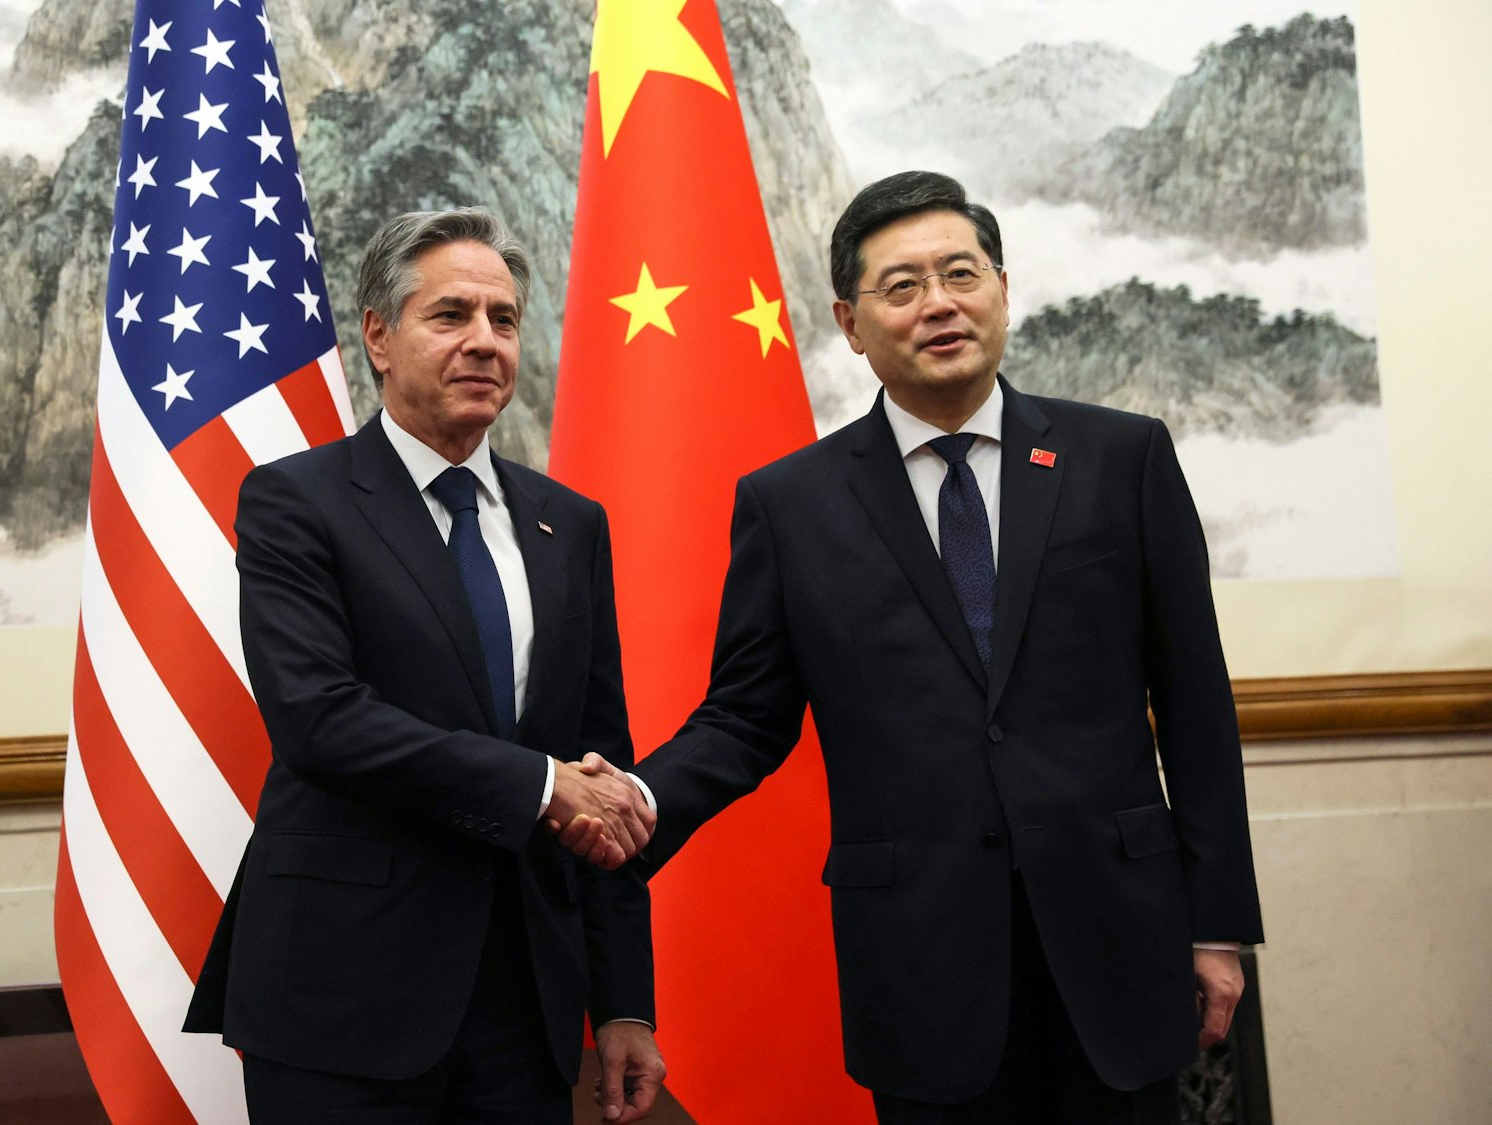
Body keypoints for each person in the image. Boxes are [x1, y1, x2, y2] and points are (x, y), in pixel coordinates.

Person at [589, 171, 1265, 1122]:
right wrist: (638, 802)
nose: (940, 303)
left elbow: (1197, 706)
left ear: (1000, 287)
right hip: (921, 961)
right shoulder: (792, 505)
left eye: (961, 273)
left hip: (1120, 937)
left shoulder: (1123, 458)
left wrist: (1221, 925)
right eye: (902, 286)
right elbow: (746, 718)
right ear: (850, 322)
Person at [184, 207, 665, 1124]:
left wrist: (625, 1002)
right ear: (379, 336)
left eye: (505, 320)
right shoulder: (296, 501)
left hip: (525, 1006)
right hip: (343, 996)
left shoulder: (570, 524)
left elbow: (598, 768)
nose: (485, 342)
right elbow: (320, 719)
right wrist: (538, 786)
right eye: (451, 316)